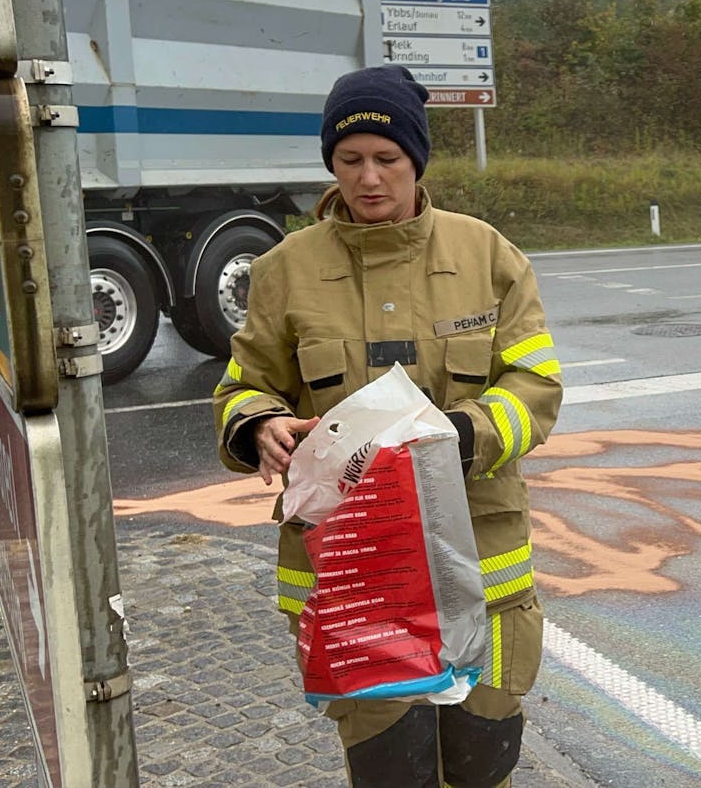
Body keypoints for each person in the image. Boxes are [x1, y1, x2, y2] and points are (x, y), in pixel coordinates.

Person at [213, 64, 561, 787]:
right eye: (349, 161)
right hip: (355, 577)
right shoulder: (284, 271)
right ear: (329, 164)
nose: (368, 178)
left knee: (482, 759)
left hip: (482, 571)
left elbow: (536, 386)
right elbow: (242, 387)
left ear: (417, 159)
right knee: (391, 770)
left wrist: (465, 433)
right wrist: (261, 426)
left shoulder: (488, 257)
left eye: (387, 159)